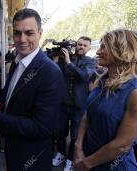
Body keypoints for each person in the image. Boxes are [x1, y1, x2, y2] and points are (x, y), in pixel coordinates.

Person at [0, 8, 65, 171]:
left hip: (31, 155)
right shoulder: (17, 61)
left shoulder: (50, 73)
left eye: (29, 33)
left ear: (40, 33)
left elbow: (41, 128)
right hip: (13, 147)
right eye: (17, 33)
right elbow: (13, 95)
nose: (22, 39)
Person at [73, 29, 137, 171]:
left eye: (104, 47)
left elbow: (122, 145)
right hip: (86, 159)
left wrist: (86, 164)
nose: (97, 52)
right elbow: (87, 114)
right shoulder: (102, 80)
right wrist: (78, 148)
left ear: (122, 50)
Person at [52, 36, 95, 171]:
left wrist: (69, 63)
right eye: (79, 44)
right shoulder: (65, 57)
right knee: (59, 132)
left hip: (79, 105)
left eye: (85, 45)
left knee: (75, 135)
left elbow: (84, 76)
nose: (81, 47)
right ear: (76, 45)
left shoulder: (90, 62)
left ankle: (70, 160)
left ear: (88, 48)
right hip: (63, 104)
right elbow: (55, 73)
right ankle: (61, 153)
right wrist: (57, 59)